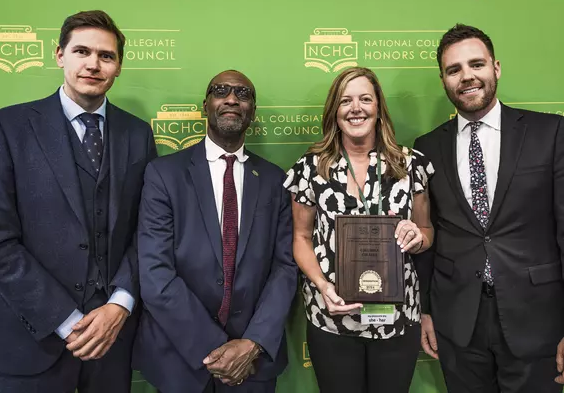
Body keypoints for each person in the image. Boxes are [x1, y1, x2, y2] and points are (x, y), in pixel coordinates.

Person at [0, 10, 157, 393]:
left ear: (119, 66)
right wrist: (67, 319)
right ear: (59, 55)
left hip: (113, 339)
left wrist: (120, 303)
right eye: (81, 51)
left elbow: (149, 230)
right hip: (31, 338)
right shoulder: (9, 127)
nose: (93, 64)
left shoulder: (137, 133)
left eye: (106, 56)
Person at [414, 24, 564, 392]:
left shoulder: (551, 133)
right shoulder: (427, 146)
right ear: (444, 80)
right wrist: (427, 309)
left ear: (495, 68)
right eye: (454, 70)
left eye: (476, 64)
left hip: (537, 319)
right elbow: (428, 232)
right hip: (457, 324)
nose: (467, 76)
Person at [133, 70, 298, 393]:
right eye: (220, 91)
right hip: (178, 358)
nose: (232, 99)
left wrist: (251, 343)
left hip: (253, 362)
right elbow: (155, 272)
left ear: (253, 110)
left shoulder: (275, 180)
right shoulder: (163, 175)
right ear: (205, 104)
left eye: (243, 93)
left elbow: (285, 268)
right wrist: (215, 348)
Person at [283, 66, 435, 393]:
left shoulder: (411, 165)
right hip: (332, 317)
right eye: (345, 101)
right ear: (334, 112)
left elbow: (427, 231)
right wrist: (322, 285)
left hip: (397, 317)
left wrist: (418, 237)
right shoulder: (309, 168)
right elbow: (301, 238)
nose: (356, 108)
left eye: (365, 99)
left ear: (378, 108)